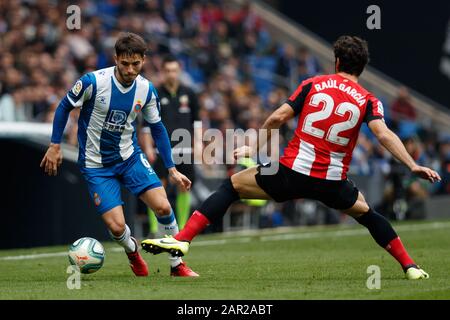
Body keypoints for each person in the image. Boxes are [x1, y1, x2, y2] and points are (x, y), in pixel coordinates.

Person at [142, 35, 441, 280]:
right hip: (332, 181)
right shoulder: (369, 100)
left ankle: (183, 238)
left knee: (232, 186)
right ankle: (410, 267)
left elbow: (278, 118)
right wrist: (413, 164)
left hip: (290, 172)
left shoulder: (313, 84)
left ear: (336, 61)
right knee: (368, 214)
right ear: (361, 67)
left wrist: (253, 147)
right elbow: (384, 135)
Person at [40, 32, 198, 277]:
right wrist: (55, 144)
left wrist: (171, 168)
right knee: (116, 227)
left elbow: (157, 128)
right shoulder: (93, 82)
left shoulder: (146, 89)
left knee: (164, 207)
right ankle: (132, 251)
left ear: (144, 60)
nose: (130, 69)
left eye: (136, 64)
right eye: (125, 63)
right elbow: (64, 106)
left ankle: (176, 265)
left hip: (130, 158)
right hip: (96, 165)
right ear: (115, 59)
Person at [141, 54, 200, 233]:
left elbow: (196, 122)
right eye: (167, 71)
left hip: (185, 147)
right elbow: (145, 126)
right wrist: (149, 147)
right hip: (161, 149)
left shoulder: (189, 93)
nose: (171, 74)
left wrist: (197, 144)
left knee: (184, 186)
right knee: (157, 188)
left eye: (174, 70)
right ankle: (155, 228)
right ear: (162, 72)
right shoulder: (155, 93)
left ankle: (181, 228)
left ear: (179, 71)